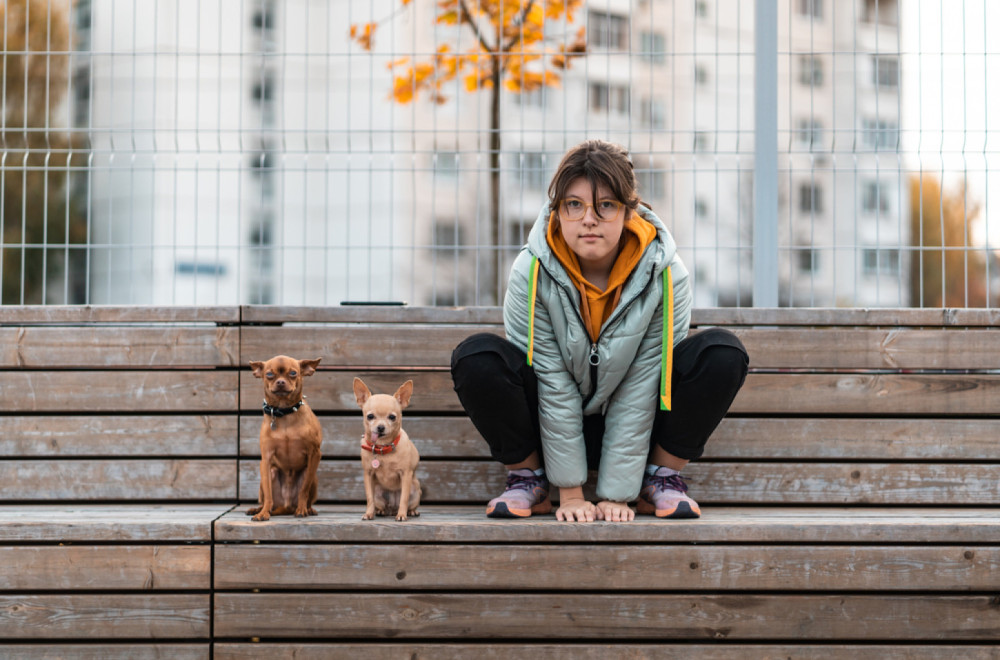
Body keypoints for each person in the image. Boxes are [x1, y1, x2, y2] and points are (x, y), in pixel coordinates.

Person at [450, 139, 748, 522]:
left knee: (720, 353)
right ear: (557, 212)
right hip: (548, 427)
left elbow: (642, 383)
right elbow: (551, 381)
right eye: (574, 205)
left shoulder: (666, 274)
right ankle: (530, 479)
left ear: (628, 211)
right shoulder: (531, 270)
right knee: (479, 358)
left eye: (605, 205)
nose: (589, 219)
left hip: (637, 433)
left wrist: (617, 494)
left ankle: (658, 479)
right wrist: (571, 495)